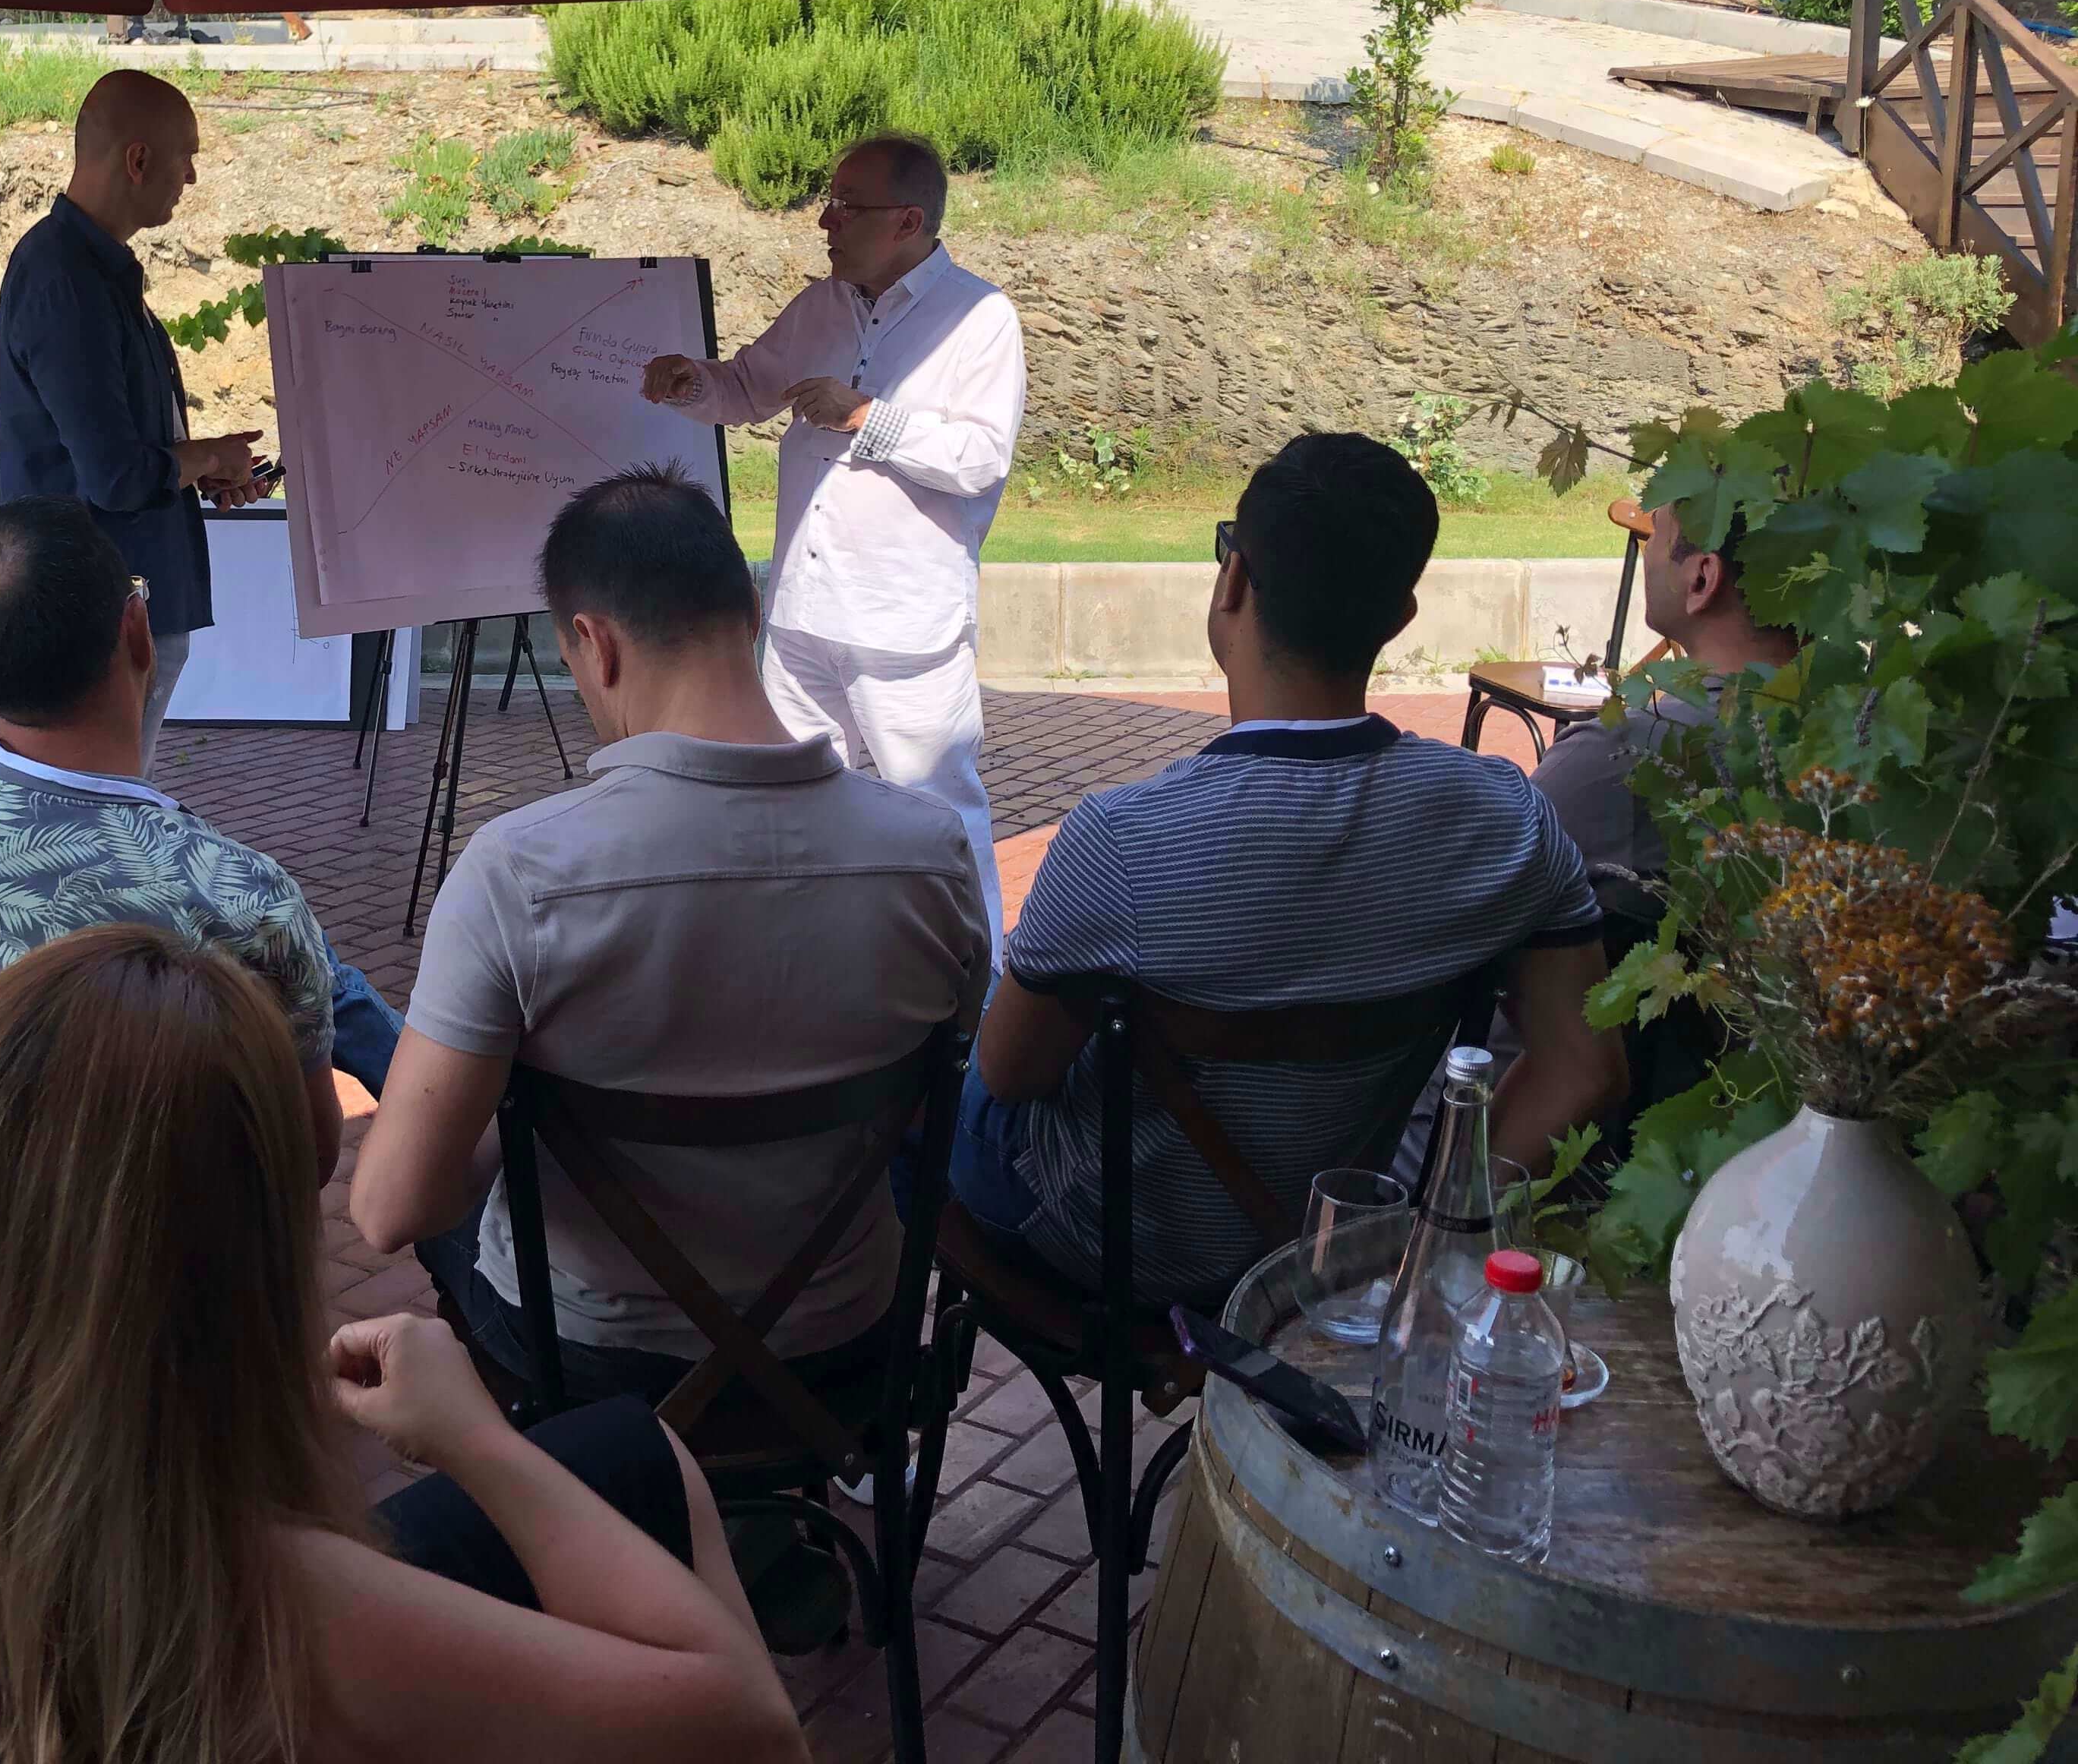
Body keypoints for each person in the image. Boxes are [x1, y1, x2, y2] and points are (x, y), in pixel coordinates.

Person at [0, 923, 801, 1764]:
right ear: (233, 1269)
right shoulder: (288, 1614)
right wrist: (480, 1442)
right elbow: (752, 1731)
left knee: (622, 1454)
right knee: (639, 1456)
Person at [352, 467, 993, 1405]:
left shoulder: (517, 872)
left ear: (595, 644)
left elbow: (389, 1210)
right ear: (755, 613)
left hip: (591, 1364)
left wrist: (518, 1122)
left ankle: (544, 1480)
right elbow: (939, 1111)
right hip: (847, 1349)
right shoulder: (932, 855)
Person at [954, 434, 1625, 1311]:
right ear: (1401, 616)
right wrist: (1424, 1227)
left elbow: (1012, 1077)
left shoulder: (1118, 843)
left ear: (1232, 581)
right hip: (1338, 1240)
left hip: (1111, 1249)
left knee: (927, 1083)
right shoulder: (1507, 823)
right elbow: (1585, 1069)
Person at [0, 497, 404, 1178]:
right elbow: (307, 1157)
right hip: (159, 1241)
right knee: (323, 973)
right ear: (137, 631)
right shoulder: (238, 898)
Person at [639, 134, 1023, 942]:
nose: (826, 220)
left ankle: (979, 985)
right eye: (831, 200)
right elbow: (748, 389)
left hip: (903, 624)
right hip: (803, 614)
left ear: (909, 221)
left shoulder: (981, 318)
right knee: (794, 811)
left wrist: (867, 419)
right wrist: (693, 383)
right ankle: (812, 971)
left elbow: (981, 460)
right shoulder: (822, 305)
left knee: (935, 816)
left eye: (849, 205)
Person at [0, 68, 264, 772]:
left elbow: (122, 450)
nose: (192, 178)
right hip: (91, 609)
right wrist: (208, 458)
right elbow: (114, 476)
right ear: (138, 159)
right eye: (186, 157)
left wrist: (197, 468)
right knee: (88, 812)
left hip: (115, 600)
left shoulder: (91, 270)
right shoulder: (66, 279)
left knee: (97, 805)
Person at [1534, 503, 1797, 935]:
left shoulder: (1613, 755)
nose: (1646, 550)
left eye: (1654, 534)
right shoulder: (1875, 735)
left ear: (1702, 579)